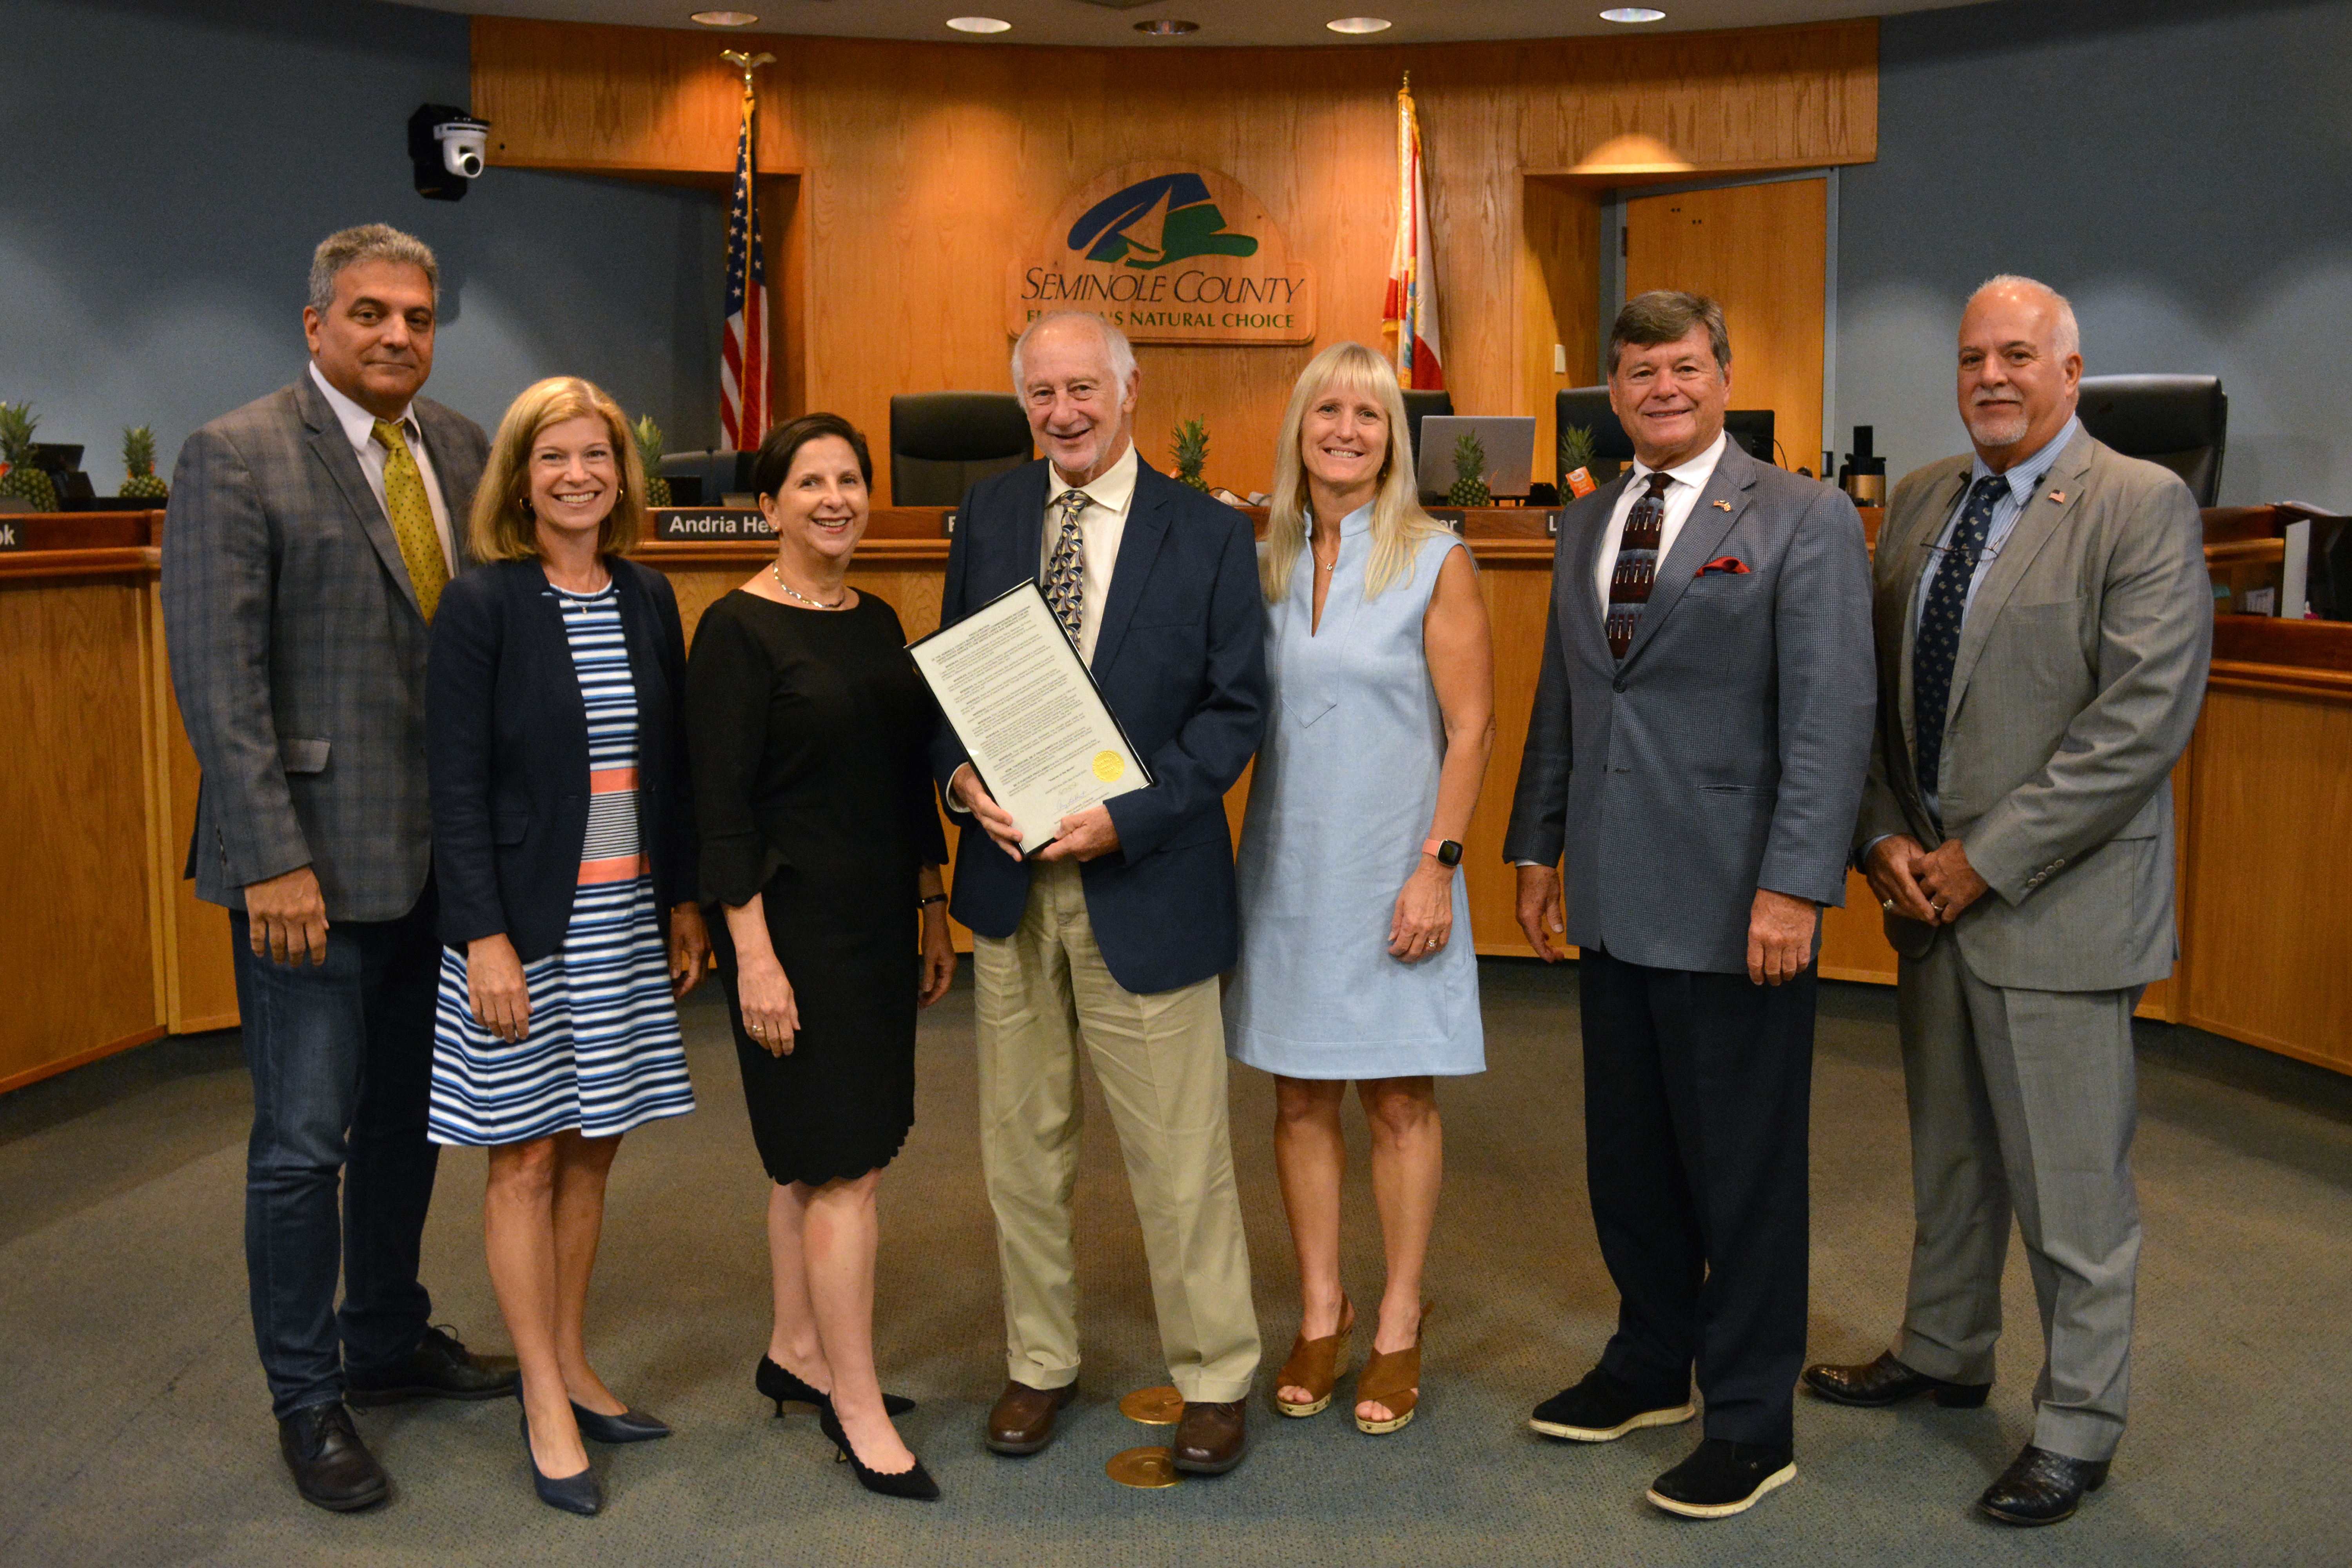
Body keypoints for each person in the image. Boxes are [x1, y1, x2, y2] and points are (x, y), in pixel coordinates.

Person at [1802, 276, 2212, 1528]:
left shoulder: (2139, 505)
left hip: (2055, 910)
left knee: (2073, 1199)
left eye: (2020, 355)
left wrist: (1985, 858)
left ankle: (2078, 1427)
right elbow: (1870, 689)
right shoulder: (1924, 498)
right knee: (1956, 1161)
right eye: (1975, 355)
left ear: (2072, 374)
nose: (1992, 375)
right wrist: (1880, 838)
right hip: (1927, 903)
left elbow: (2138, 721)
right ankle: (1943, 1351)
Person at [160, 224, 516, 1514]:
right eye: (369, 314)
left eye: (417, 318)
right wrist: (267, 861)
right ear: (314, 325)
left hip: (438, 873)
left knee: (408, 1127)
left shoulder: (465, 451)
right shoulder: (235, 455)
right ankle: (308, 1400)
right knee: (305, 1145)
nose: (397, 337)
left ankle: (386, 1335)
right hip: (305, 874)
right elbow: (219, 679)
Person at [1502, 291, 1874, 1519]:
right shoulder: (1587, 521)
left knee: (1743, 1172)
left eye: (1685, 365)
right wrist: (1538, 845)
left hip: (1736, 902)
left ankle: (1754, 1419)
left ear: (1724, 375)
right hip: (1611, 889)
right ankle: (1652, 1362)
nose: (1662, 386)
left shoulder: (1804, 517)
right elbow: (1567, 695)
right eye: (1639, 371)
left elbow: (1830, 719)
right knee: (1633, 1159)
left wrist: (1795, 884)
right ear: (1612, 394)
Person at [938, 310, 1267, 1476]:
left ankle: (1217, 1376)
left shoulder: (1213, 535)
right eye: (1042, 394)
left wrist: (1121, 817)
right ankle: (1040, 1363)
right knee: (1022, 1150)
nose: (1063, 413)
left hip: (1146, 879)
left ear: (1131, 390)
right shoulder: (988, 514)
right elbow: (953, 676)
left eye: (1083, 389)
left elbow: (1233, 715)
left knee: (1179, 1158)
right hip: (1011, 881)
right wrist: (957, 771)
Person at [424, 376, 708, 1516]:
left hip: (621, 922)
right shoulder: (483, 604)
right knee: (526, 1157)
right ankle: (542, 1393)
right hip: (523, 931)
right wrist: (482, 937)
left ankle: (577, 1361)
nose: (579, 475)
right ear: (520, 479)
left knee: (595, 1146)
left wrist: (681, 901)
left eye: (596, 456)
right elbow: (452, 786)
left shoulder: (648, 595)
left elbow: (668, 771)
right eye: (554, 459)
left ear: (621, 476)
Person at [684, 412, 958, 1502]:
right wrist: (751, 954)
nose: (836, 498)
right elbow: (722, 811)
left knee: (827, 1159)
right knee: (842, 1166)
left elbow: (902, 782)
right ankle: (854, 1400)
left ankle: (796, 1351)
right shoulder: (736, 632)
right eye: (812, 483)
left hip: (881, 922)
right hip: (790, 934)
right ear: (768, 504)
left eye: (851, 480)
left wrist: (935, 904)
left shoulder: (878, 616)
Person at [1223, 341, 1493, 1436]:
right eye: (1326, 411)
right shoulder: (1263, 560)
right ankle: (1321, 1310)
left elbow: (1473, 725)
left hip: (1397, 868)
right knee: (1296, 1096)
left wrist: (1439, 864)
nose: (1344, 430)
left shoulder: (1436, 556)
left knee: (1396, 1099)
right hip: (1288, 867)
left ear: (1393, 439)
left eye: (1368, 416)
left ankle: (1396, 1321)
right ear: (1298, 429)